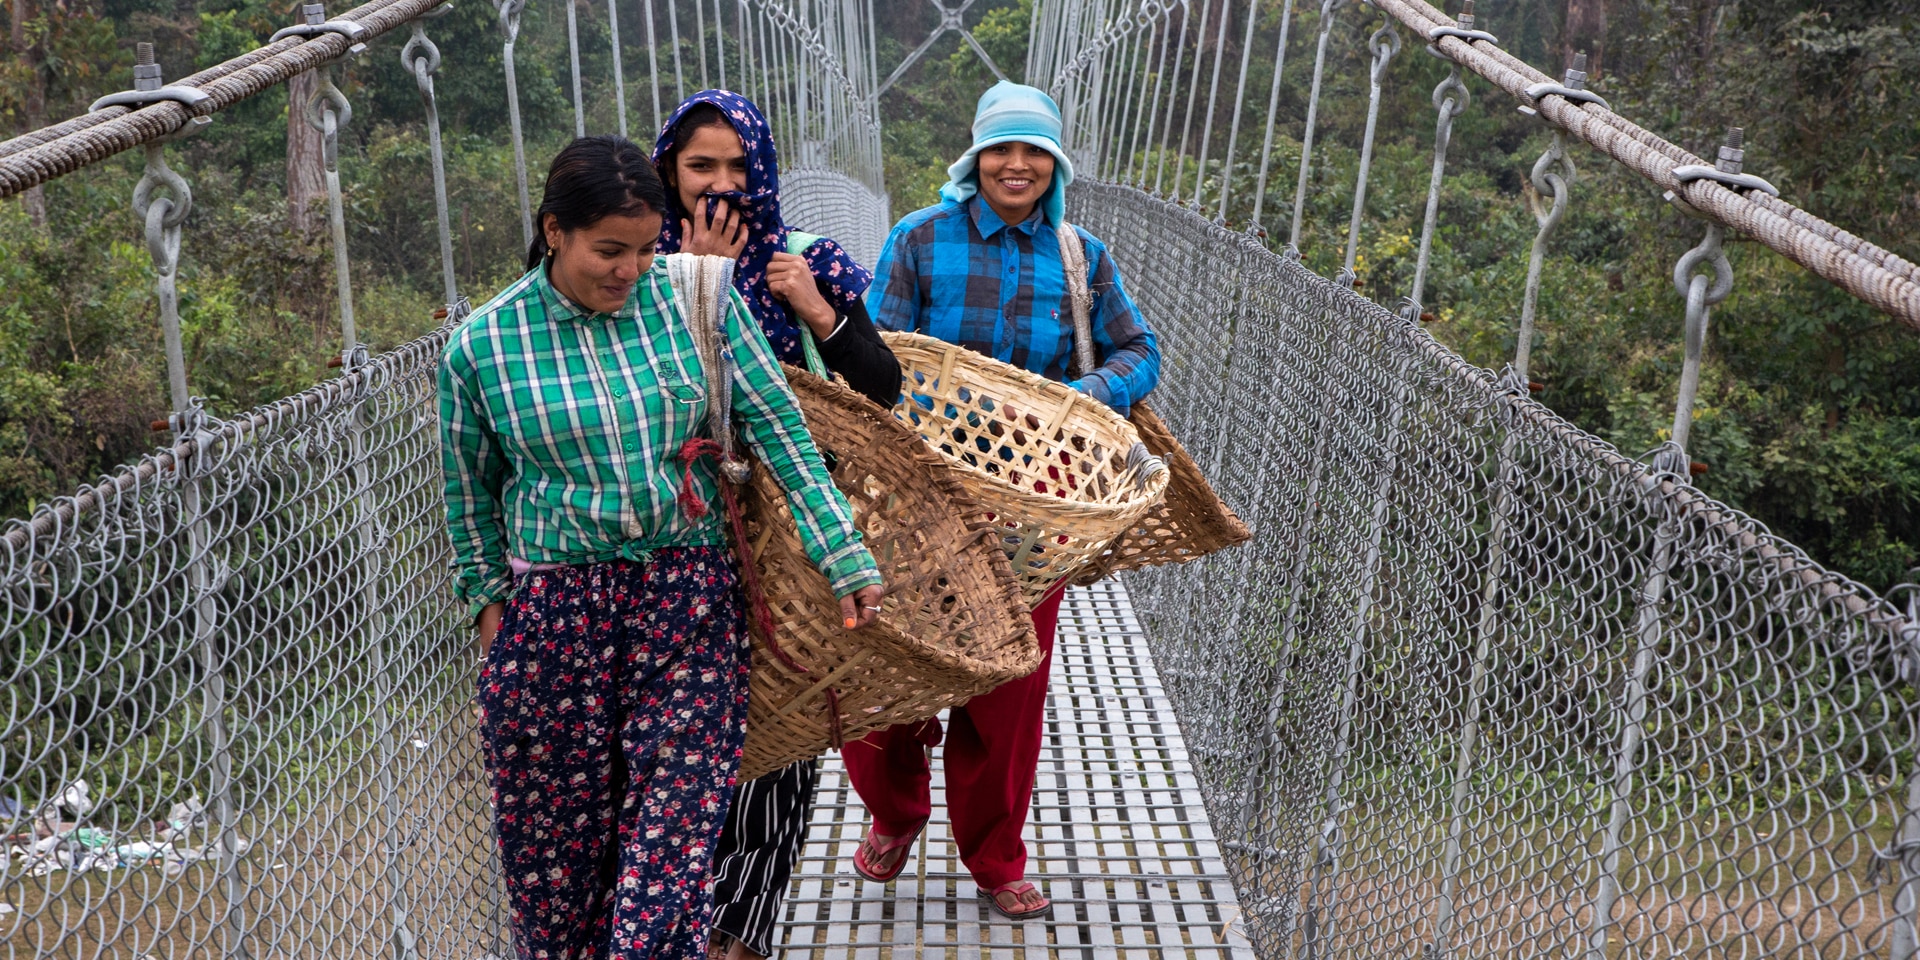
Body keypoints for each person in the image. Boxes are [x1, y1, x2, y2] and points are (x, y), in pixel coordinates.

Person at [439, 135, 886, 959]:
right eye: (610, 251)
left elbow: (780, 434)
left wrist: (844, 554)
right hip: (554, 619)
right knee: (555, 868)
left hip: (686, 598)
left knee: (672, 843)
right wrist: (490, 614)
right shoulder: (481, 346)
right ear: (553, 232)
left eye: (647, 249)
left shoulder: (701, 301)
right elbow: (470, 500)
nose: (632, 270)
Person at [847, 81, 1161, 921]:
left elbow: (1141, 348)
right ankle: (895, 810)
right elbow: (877, 356)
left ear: (1053, 164)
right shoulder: (919, 238)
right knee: (893, 659)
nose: (1016, 165)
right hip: (924, 487)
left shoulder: (1080, 254)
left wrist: (1090, 393)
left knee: (1008, 684)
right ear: (976, 157)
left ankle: (993, 856)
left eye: (1035, 152)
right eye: (1002, 149)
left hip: (1038, 498)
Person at [649, 90, 902, 960]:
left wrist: (819, 313)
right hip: (673, 524)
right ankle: (669, 906)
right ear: (669, 172)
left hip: (792, 522)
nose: (721, 185)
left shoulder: (807, 256)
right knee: (678, 721)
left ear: (762, 170)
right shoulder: (630, 257)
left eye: (737, 167)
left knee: (787, 709)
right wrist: (691, 281)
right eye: (699, 167)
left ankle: (741, 926)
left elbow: (881, 389)